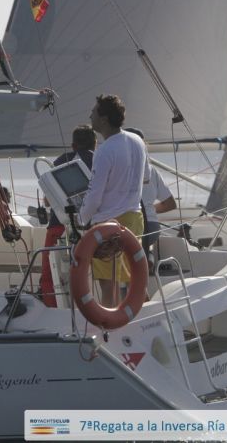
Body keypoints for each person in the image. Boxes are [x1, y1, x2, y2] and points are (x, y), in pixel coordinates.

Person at [79, 94, 148, 307]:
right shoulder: (138, 141)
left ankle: (109, 324)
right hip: (135, 218)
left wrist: (81, 220)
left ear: (104, 119)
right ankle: (148, 317)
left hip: (108, 225)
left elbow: (94, 195)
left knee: (108, 285)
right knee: (137, 279)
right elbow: (146, 177)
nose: (90, 115)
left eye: (94, 112)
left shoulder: (104, 150)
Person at [39, 124, 96, 307]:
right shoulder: (100, 160)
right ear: (95, 144)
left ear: (73, 146)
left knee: (49, 274)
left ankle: (52, 309)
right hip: (93, 228)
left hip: (58, 226)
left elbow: (48, 201)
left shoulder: (61, 161)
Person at [124, 127, 177, 267]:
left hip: (131, 225)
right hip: (152, 227)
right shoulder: (152, 170)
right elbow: (170, 204)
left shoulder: (119, 167)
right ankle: (148, 259)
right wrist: (149, 210)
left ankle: (146, 260)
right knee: (142, 248)